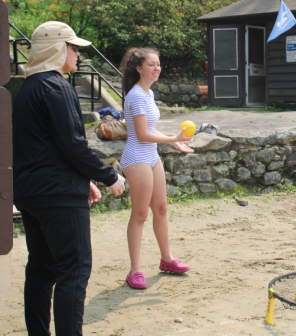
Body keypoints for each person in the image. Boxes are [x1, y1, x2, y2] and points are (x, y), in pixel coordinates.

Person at [12, 21, 126, 335]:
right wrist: (107, 176)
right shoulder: (56, 86)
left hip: (31, 193)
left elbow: (42, 146)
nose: (77, 53)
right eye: (73, 46)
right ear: (56, 49)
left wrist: (82, 179)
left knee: (41, 269)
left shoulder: (26, 90)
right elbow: (72, 144)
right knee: (73, 273)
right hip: (58, 196)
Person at [120, 47, 194, 289]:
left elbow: (150, 131)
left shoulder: (147, 94)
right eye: (151, 64)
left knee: (160, 209)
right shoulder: (136, 95)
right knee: (140, 215)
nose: (157, 68)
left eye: (158, 64)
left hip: (151, 156)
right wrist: (173, 138)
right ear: (139, 68)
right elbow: (141, 135)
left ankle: (167, 259)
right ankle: (135, 271)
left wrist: (177, 141)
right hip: (136, 157)